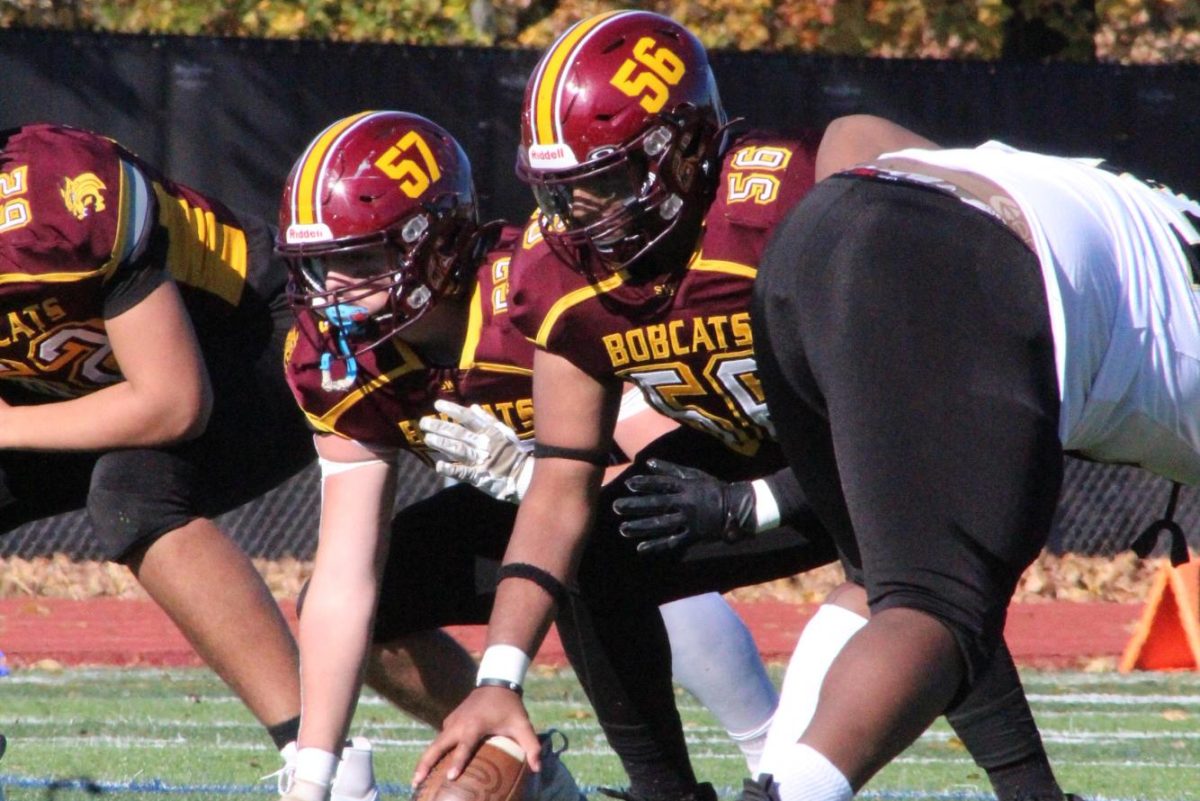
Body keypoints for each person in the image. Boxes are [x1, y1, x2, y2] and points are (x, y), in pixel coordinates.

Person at [415, 11, 1073, 801]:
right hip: (753, 461)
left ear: (688, 147)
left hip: (887, 444)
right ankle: (665, 791)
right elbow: (561, 489)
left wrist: (747, 506)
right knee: (594, 548)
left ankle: (1032, 792)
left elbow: (972, 256)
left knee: (915, 564)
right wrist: (500, 674)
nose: (579, 216)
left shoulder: (798, 186)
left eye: (605, 182)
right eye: (560, 191)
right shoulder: (557, 280)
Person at [272, 109, 815, 801]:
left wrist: (532, 475)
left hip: (648, 487)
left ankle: (764, 747)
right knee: (351, 597)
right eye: (317, 266)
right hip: (529, 505)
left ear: (436, 243)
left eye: (359, 261)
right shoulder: (335, 361)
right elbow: (348, 574)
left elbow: (672, 463)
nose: (332, 291)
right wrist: (313, 775)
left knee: (614, 536)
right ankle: (523, 759)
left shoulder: (535, 290)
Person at [746, 136, 1200, 800]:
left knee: (902, 583)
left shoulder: (1156, 214)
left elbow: (853, 127)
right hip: (956, 264)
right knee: (933, 604)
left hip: (824, 226)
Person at [0, 123, 378, 799]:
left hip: (261, 334)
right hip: (92, 382)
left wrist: (10, 424)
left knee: (136, 493)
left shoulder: (60, 193)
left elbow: (173, 402)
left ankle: (324, 764)